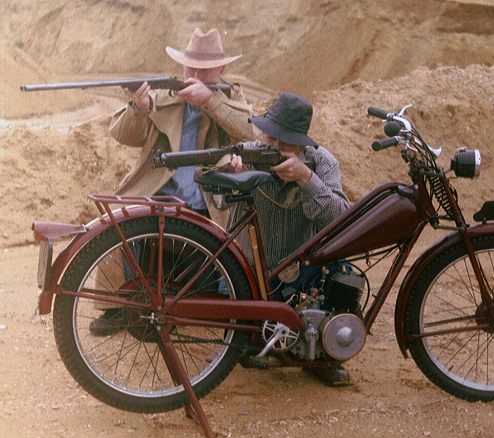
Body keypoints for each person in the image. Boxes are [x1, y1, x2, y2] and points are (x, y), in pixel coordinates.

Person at [90, 27, 254, 335]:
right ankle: (116, 306)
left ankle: (232, 309)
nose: (196, 75)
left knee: (240, 233)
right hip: (158, 194)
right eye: (191, 68)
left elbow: (250, 132)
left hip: (208, 200)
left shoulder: (231, 96)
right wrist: (138, 109)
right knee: (116, 218)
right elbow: (125, 136)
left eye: (205, 71)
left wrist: (210, 101)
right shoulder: (163, 96)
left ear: (221, 70)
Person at [228, 92, 352, 386]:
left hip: (301, 273)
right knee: (246, 343)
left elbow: (341, 221)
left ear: (301, 143)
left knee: (340, 274)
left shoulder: (322, 164)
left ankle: (323, 354)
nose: (273, 146)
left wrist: (306, 179)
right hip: (249, 273)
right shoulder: (247, 153)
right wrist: (232, 176)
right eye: (270, 137)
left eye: (284, 142)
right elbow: (219, 206)